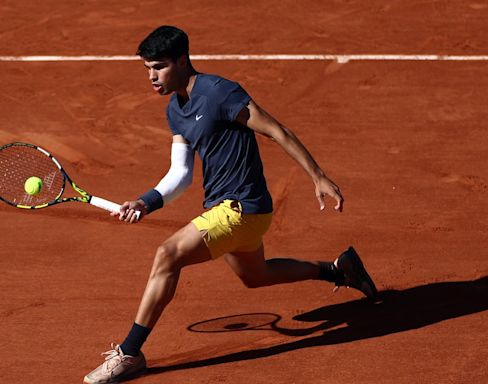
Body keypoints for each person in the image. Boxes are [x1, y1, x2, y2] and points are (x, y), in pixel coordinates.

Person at [83, 25, 377, 384]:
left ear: (181, 60)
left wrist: (317, 176)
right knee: (257, 276)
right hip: (228, 211)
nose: (151, 76)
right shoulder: (176, 110)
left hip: (242, 207)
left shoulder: (221, 93)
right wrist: (146, 202)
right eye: (147, 68)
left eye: (158, 67)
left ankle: (130, 353)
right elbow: (180, 174)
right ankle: (338, 269)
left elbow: (276, 130)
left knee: (167, 254)